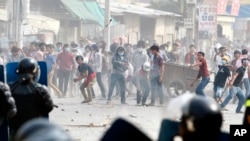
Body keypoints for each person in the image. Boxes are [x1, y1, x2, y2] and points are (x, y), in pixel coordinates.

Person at [8, 57, 54, 137]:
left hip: (15, 131)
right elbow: (48, 108)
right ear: (35, 72)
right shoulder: (40, 89)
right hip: (34, 131)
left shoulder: (9, 87)